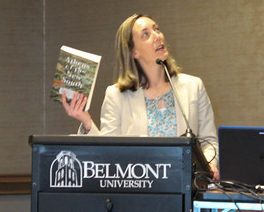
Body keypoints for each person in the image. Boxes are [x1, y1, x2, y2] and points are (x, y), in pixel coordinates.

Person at [61, 14, 219, 180]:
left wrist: (209, 166)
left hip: (186, 190)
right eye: (146, 34)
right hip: (139, 191)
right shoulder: (116, 95)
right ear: (134, 52)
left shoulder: (193, 86)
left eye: (156, 29)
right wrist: (86, 122)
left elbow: (209, 141)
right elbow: (108, 154)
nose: (157, 36)